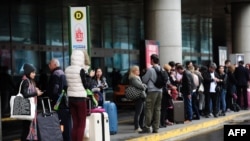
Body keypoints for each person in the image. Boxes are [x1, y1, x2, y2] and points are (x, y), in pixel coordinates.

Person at [65, 49, 95, 141]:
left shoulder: (67, 69)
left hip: (71, 98)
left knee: (75, 123)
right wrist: (90, 76)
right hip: (80, 99)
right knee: (82, 124)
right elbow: (87, 86)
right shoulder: (81, 70)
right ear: (81, 58)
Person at [140, 54, 168, 133]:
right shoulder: (162, 69)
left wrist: (143, 74)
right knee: (157, 109)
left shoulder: (150, 70)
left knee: (149, 109)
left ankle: (147, 127)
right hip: (160, 91)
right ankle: (156, 128)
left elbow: (144, 80)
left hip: (152, 91)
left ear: (152, 60)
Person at [46, 58, 71, 141]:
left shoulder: (55, 74)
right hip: (64, 103)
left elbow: (55, 89)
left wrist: (51, 97)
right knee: (66, 124)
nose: (49, 66)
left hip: (58, 103)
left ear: (55, 65)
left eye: (50, 64)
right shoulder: (62, 73)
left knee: (60, 123)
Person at [20, 63, 43, 141]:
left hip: (28, 108)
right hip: (27, 108)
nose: (34, 74)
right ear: (28, 72)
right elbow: (25, 94)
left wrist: (35, 90)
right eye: (33, 72)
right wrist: (36, 93)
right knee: (26, 129)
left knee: (27, 128)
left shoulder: (29, 81)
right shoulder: (26, 81)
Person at [128, 65, 147, 132]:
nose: (138, 71)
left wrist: (143, 86)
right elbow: (141, 86)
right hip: (138, 96)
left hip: (141, 96)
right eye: (137, 70)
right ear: (133, 71)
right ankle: (136, 127)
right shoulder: (133, 78)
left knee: (143, 112)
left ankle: (141, 125)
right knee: (138, 112)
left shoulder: (137, 77)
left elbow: (142, 86)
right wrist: (144, 85)